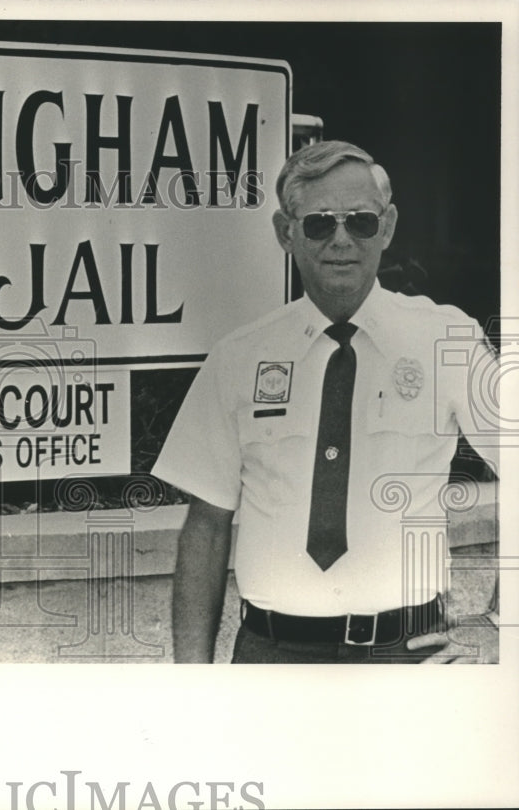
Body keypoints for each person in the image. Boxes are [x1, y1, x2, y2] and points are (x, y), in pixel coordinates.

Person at [151, 140, 499, 664]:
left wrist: (496, 626)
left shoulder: (445, 339)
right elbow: (206, 524)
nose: (341, 239)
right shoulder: (240, 357)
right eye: (319, 223)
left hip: (409, 660)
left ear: (388, 225)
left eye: (360, 221)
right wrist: (193, 686)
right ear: (285, 232)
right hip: (272, 656)